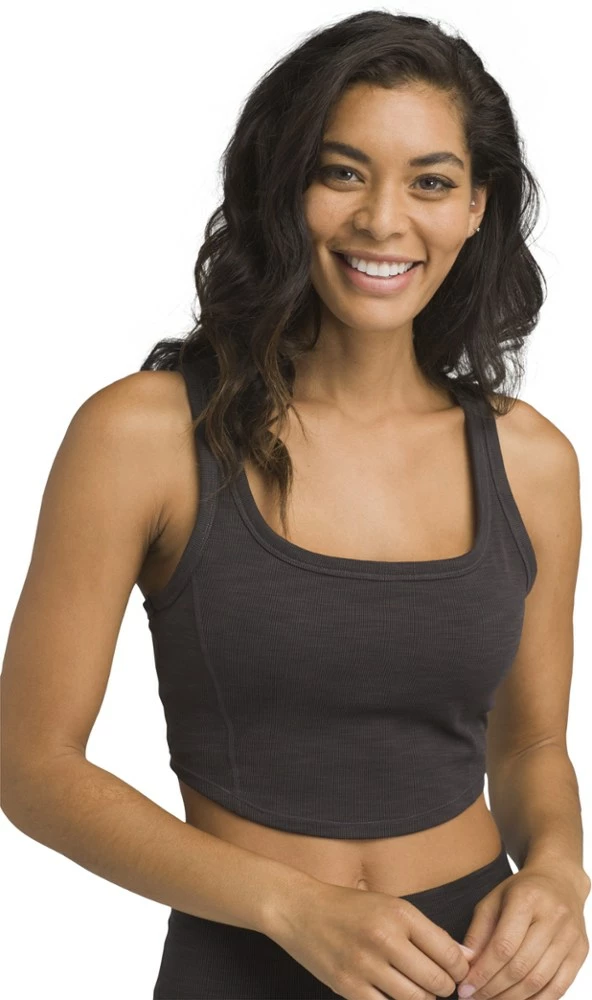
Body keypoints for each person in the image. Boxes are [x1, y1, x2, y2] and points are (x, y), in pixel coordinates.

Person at [2, 10, 589, 1000]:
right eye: (341, 172)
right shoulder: (142, 435)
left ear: (476, 207)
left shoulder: (532, 460)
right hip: (243, 957)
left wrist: (561, 873)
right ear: (283, 186)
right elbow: (31, 766)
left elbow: (531, 743)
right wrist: (291, 906)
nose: (384, 220)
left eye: (431, 182)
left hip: (474, 968)